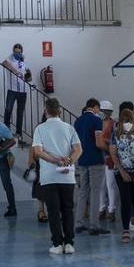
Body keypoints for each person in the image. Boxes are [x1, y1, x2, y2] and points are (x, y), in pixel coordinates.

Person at [33, 97, 82, 255]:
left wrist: (55, 160)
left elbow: (38, 151)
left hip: (49, 177)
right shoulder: (69, 128)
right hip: (67, 176)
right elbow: (78, 149)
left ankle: (57, 244)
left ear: (46, 111)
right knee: (68, 209)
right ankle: (69, 243)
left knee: (53, 211)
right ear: (60, 111)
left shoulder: (40, 129)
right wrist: (69, 161)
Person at [109, 108, 134, 242]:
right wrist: (122, 171)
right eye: (123, 120)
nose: (126, 122)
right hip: (121, 173)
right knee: (125, 200)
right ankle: (125, 229)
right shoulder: (115, 135)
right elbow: (113, 154)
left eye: (128, 120)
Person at [73, 98, 109, 236]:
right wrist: (110, 149)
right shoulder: (96, 120)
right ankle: (94, 225)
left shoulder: (78, 121)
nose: (99, 112)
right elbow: (99, 143)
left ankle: (79, 223)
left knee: (83, 192)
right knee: (95, 192)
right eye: (99, 109)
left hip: (82, 160)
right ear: (95, 107)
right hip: (95, 160)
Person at [3, 44, 32, 138]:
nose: (17, 54)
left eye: (19, 52)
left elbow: (28, 71)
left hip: (23, 90)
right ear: (13, 51)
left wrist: (28, 76)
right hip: (12, 89)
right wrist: (15, 71)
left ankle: (18, 132)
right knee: (8, 109)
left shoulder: (23, 60)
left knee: (20, 112)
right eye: (16, 52)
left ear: (21, 52)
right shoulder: (10, 58)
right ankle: (6, 127)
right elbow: (4, 63)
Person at [100, 101, 118, 222]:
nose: (105, 113)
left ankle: (111, 210)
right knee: (101, 186)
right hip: (99, 158)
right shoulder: (96, 123)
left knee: (110, 185)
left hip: (109, 157)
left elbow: (115, 139)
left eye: (107, 112)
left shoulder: (114, 124)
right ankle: (101, 209)